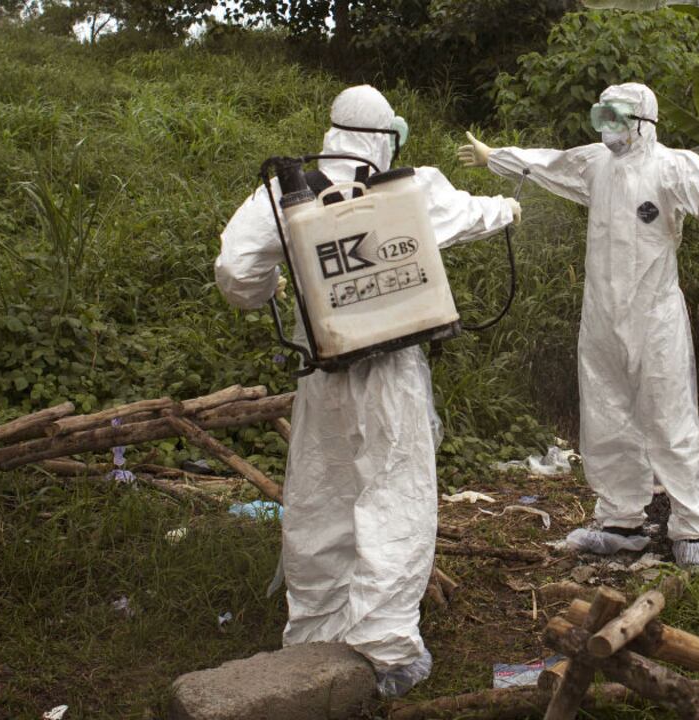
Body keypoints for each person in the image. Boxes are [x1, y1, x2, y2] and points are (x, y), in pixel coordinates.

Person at [214, 85, 518, 697]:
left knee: (321, 494)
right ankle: (383, 646)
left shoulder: (285, 190)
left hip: (322, 363)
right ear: (387, 135)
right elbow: (471, 215)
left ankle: (315, 634)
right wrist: (508, 207)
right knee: (395, 491)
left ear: (332, 130)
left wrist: (268, 289)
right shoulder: (411, 187)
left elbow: (235, 268)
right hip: (394, 366)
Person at [458, 82, 699, 569]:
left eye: (616, 117)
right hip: (601, 313)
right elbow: (548, 163)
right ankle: (621, 522)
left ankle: (692, 526)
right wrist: (496, 156)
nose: (607, 128)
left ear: (643, 121)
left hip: (655, 317)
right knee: (606, 416)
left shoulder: (670, 167)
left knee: (668, 417)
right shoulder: (595, 165)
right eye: (601, 116)